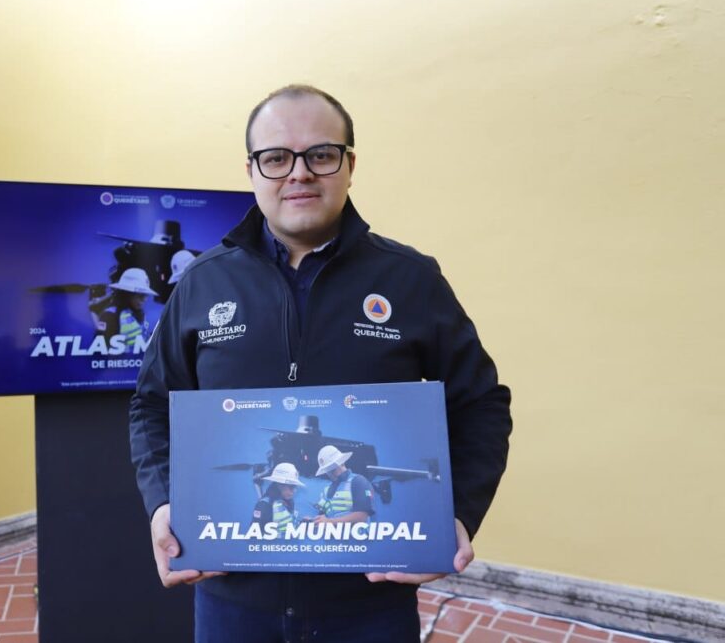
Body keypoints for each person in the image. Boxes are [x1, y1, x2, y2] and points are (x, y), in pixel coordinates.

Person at [129, 84, 512, 642]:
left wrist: (457, 510)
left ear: (350, 165)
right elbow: (151, 405)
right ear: (251, 170)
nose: (299, 173)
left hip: (369, 603)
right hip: (232, 599)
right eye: (276, 158)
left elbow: (480, 404)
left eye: (321, 154)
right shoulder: (201, 283)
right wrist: (164, 502)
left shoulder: (412, 279)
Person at [88, 267, 155, 349]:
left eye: (146, 295)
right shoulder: (109, 316)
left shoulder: (138, 313)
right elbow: (100, 349)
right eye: (140, 295)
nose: (144, 299)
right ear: (127, 294)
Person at [309, 445, 373, 524]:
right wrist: (313, 521)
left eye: (332, 468)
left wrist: (330, 522)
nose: (330, 473)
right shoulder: (326, 490)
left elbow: (362, 516)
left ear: (341, 462)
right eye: (327, 470)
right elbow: (323, 517)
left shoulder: (359, 481)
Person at [252, 462, 304, 531]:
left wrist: (303, 524)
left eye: (295, 487)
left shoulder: (289, 502)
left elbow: (286, 526)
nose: (294, 491)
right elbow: (255, 533)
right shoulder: (263, 506)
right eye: (291, 487)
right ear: (279, 485)